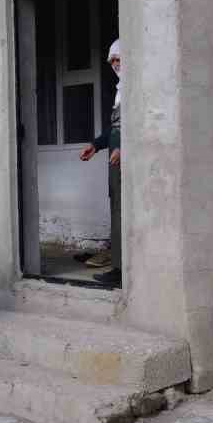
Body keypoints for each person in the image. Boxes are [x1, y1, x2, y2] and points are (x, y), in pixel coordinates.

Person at [77, 39, 122, 287]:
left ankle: (122, 269)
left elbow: (138, 125)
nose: (115, 65)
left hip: (128, 165)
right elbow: (115, 129)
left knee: (124, 214)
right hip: (115, 165)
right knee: (116, 212)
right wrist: (95, 146)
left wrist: (124, 149)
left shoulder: (133, 91)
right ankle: (118, 265)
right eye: (112, 61)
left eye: (119, 59)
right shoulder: (120, 90)